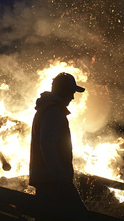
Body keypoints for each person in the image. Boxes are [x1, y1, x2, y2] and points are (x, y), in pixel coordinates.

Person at [29, 72, 87, 211]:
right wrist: (61, 177)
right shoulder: (53, 111)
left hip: (48, 179)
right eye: (71, 92)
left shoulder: (48, 109)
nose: (73, 97)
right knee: (81, 219)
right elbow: (47, 146)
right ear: (62, 90)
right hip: (53, 181)